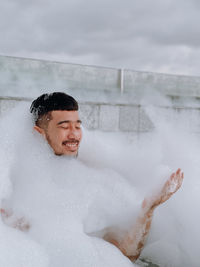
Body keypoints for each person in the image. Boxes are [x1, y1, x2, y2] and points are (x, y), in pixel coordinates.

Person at [2, 92, 184, 263]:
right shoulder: (14, 187)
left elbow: (125, 254)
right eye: (64, 127)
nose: (74, 134)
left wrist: (149, 208)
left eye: (78, 126)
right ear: (38, 134)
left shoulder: (93, 179)